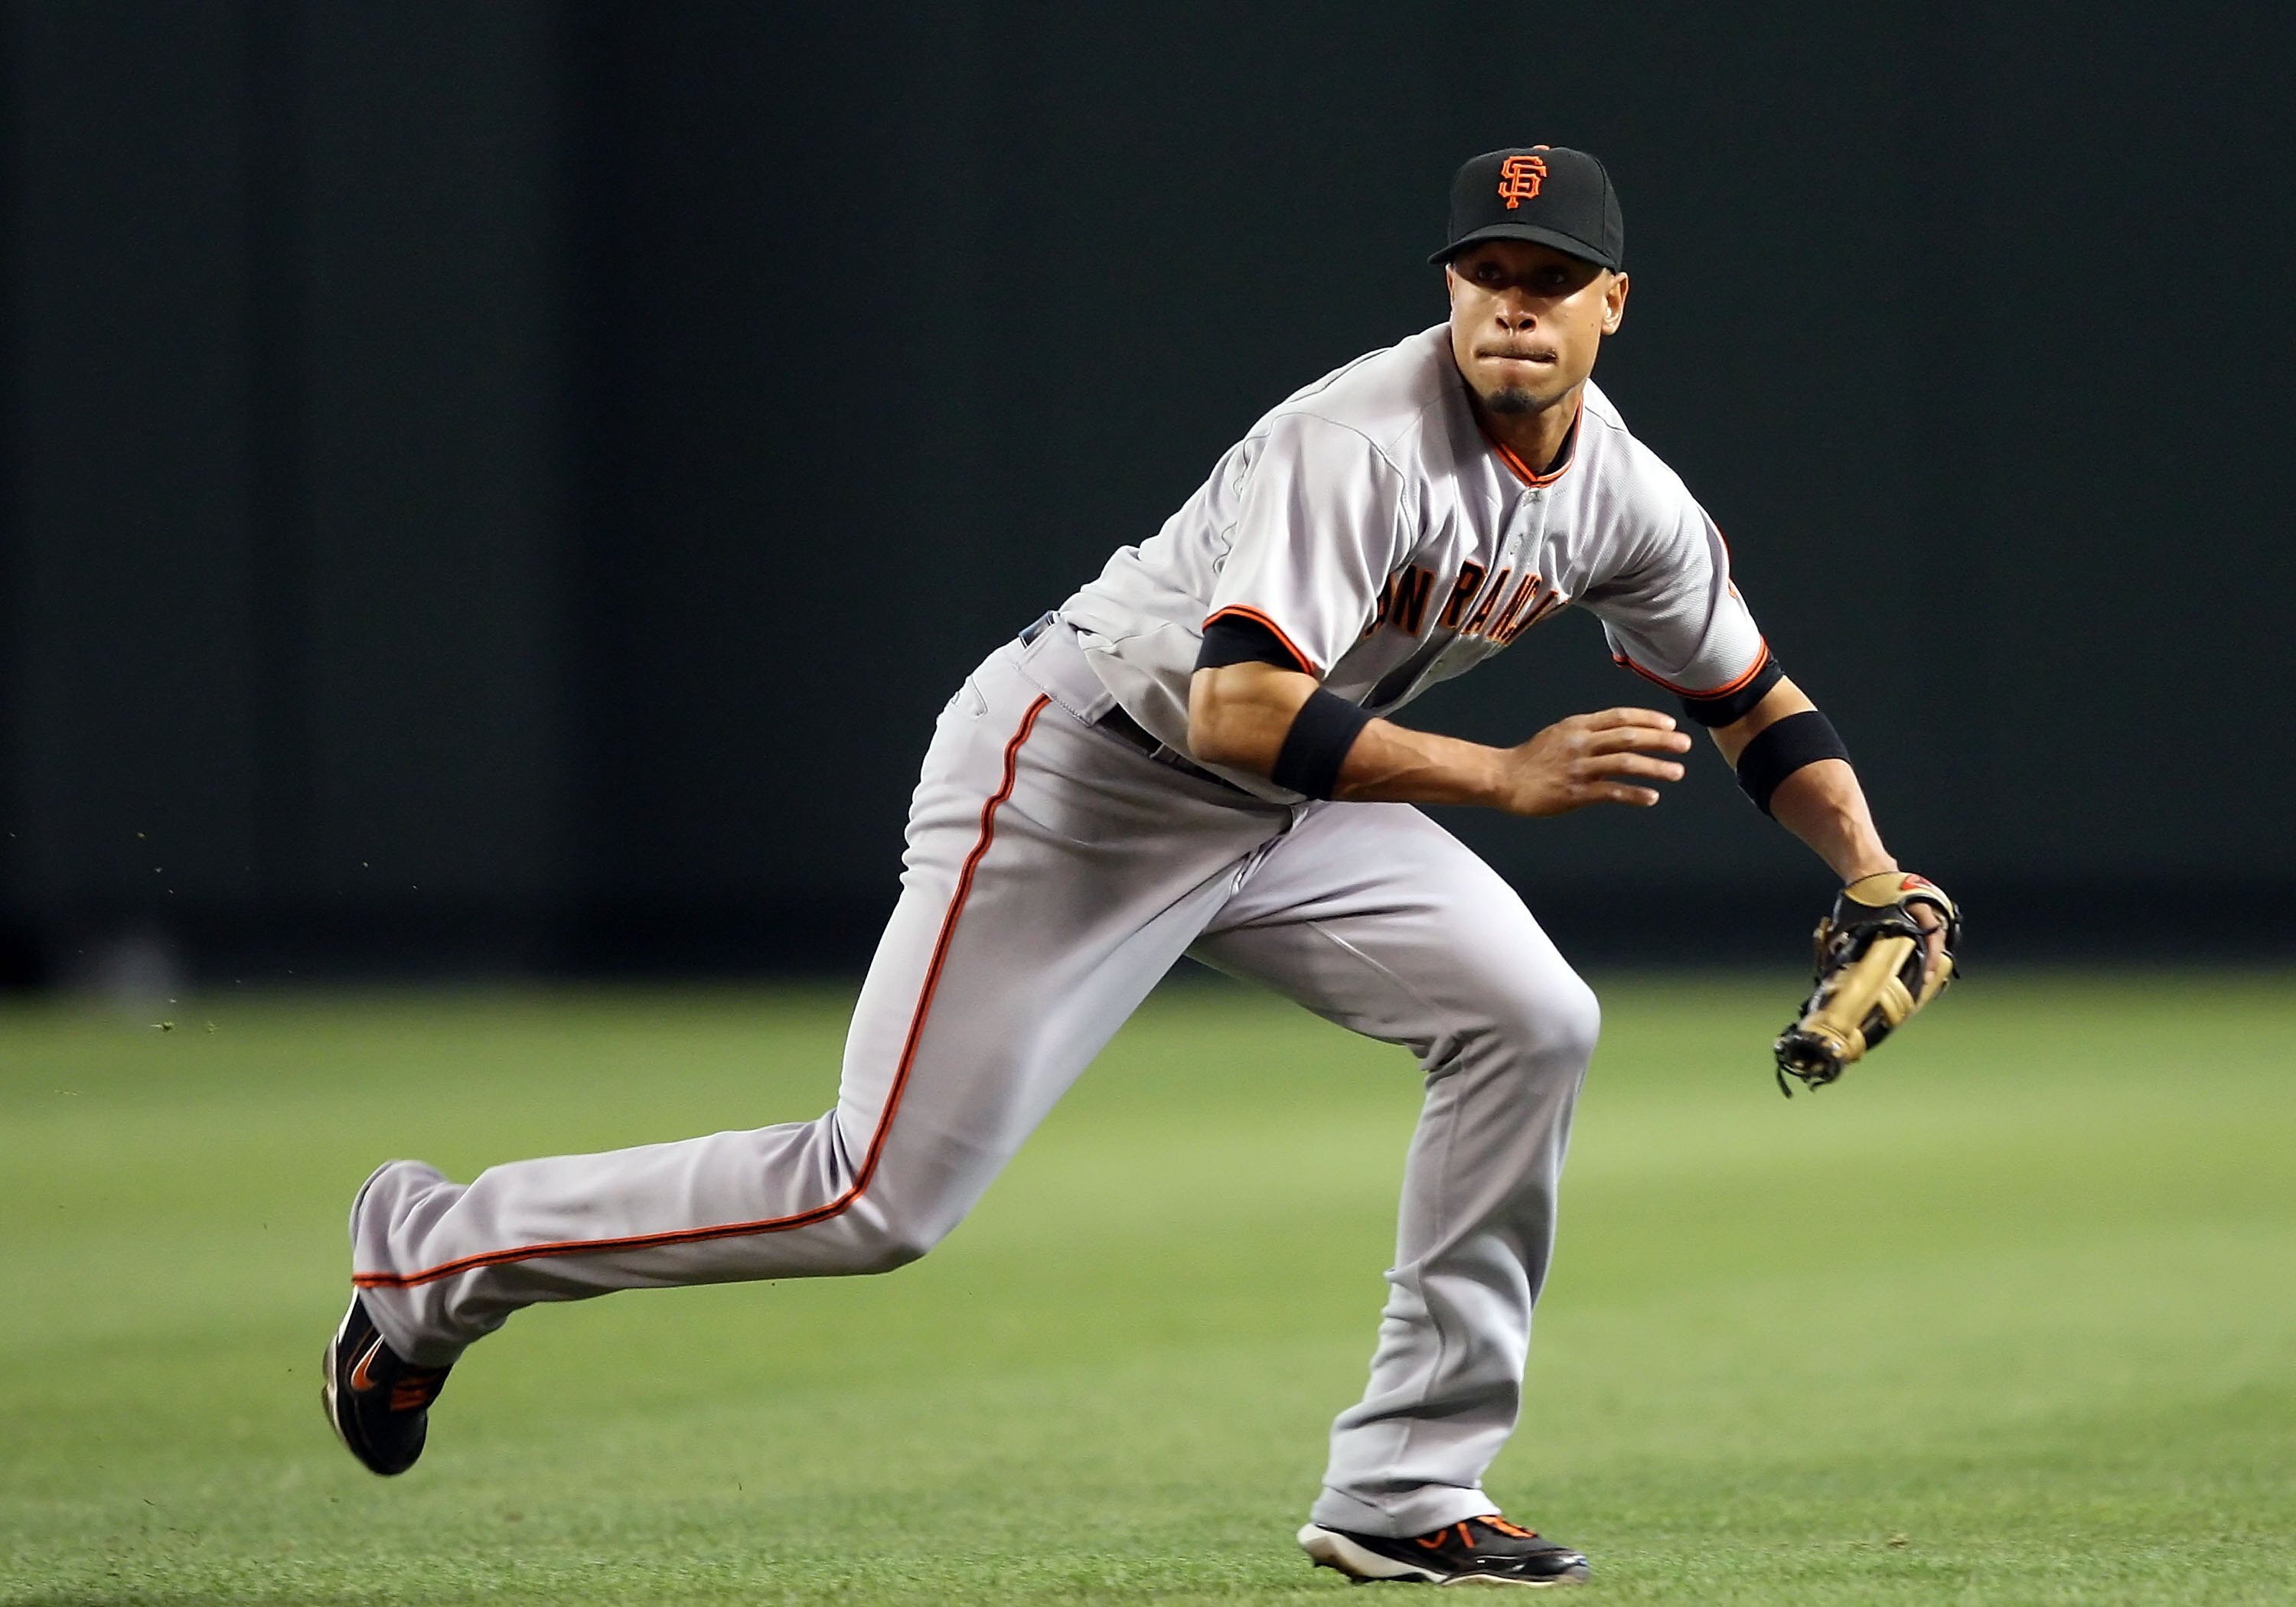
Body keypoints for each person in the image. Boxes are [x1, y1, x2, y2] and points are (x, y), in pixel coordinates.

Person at [325, 145, 1940, 1589]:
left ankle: (1405, 1485)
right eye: (1487, 274)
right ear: (1450, 288)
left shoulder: (1628, 500)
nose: (1514, 305)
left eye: (1551, 281)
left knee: (1533, 1017)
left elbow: (1749, 701)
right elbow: (1243, 706)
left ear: (1613, 307)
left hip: (1301, 797)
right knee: (873, 1197)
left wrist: (1875, 872)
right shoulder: (1359, 438)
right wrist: (1502, 778)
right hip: (1083, 775)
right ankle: (431, 1262)